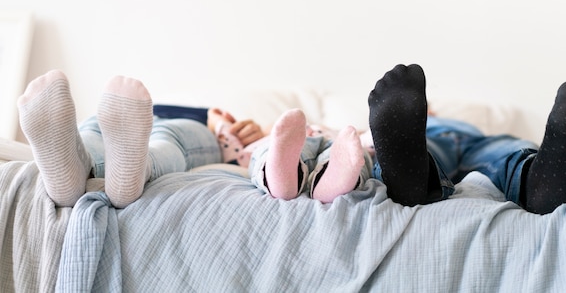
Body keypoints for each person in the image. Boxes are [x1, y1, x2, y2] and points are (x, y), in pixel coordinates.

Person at [17, 69, 371, 208]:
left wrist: (214, 122)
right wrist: (212, 115)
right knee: (95, 130)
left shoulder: (220, 126)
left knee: (161, 140)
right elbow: (164, 107)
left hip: (171, 129)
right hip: (124, 125)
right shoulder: (203, 113)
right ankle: (69, 167)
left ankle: (80, 174)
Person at [367, 63, 566, 214]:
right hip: (426, 139)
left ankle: (541, 183)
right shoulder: (424, 121)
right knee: (421, 150)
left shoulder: (458, 119)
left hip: (479, 141)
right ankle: (406, 177)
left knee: (511, 149)